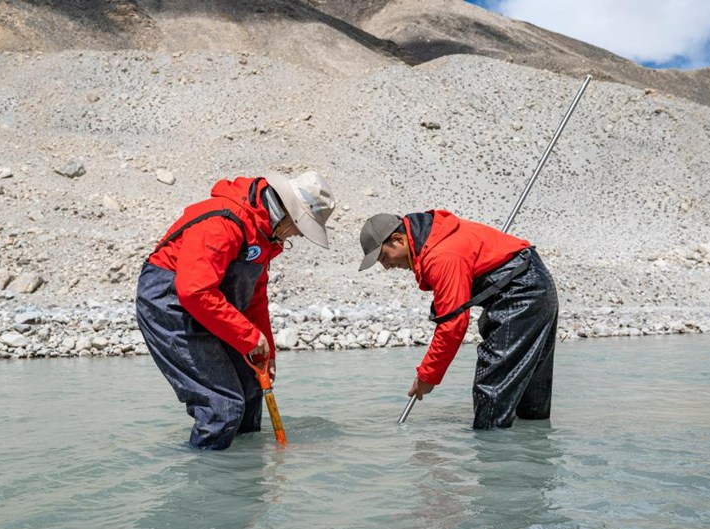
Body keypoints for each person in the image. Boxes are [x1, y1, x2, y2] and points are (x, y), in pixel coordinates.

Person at [137, 171, 336, 450]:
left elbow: (254, 297)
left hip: (213, 302)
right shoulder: (224, 222)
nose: (297, 235)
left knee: (252, 387)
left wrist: (264, 350)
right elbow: (194, 291)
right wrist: (248, 337)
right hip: (169, 304)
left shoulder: (264, 235)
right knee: (222, 407)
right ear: (287, 213)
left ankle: (245, 482)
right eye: (299, 228)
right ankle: (209, 485)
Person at [358, 210, 558, 429]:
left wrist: (427, 376)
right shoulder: (437, 236)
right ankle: (533, 456)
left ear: (398, 240)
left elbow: (453, 325)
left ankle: (491, 457)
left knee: (491, 395)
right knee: (531, 400)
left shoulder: (441, 255)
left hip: (521, 294)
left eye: (384, 257)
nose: (386, 266)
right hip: (534, 284)